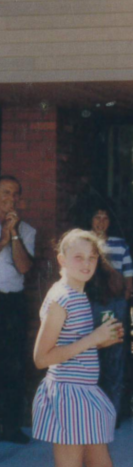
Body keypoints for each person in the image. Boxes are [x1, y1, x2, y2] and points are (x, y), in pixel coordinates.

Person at [31, 230, 130, 467]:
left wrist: (99, 340)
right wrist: (93, 340)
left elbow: (72, 346)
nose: (86, 264)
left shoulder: (78, 294)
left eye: (92, 258)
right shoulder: (61, 298)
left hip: (85, 394)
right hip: (68, 396)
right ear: (61, 260)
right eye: (78, 257)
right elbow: (42, 358)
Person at [85, 203, 133, 421]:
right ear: (90, 219)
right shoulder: (82, 241)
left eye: (105, 218)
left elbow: (128, 278)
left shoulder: (119, 245)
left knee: (115, 356)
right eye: (97, 216)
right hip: (90, 304)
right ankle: (91, 412)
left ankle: (111, 414)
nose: (101, 222)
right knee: (90, 355)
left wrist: (121, 304)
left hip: (114, 305)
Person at [0, 175, 35, 444]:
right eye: (5, 192)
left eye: (15, 194)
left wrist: (13, 234)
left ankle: (10, 427)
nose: (10, 198)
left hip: (11, 302)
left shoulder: (27, 231)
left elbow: (24, 267)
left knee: (11, 364)